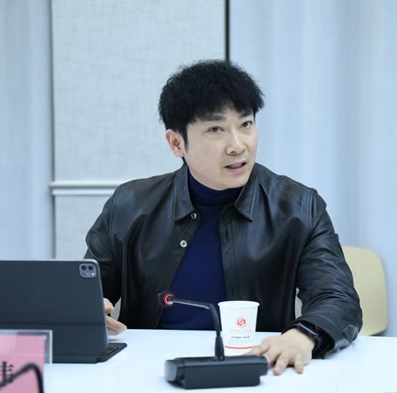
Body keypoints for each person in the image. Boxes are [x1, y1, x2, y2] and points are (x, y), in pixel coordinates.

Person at [84, 59, 362, 375]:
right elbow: (89, 291)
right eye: (215, 129)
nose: (237, 145)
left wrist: (303, 335)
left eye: (246, 124)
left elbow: (338, 298)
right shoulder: (130, 204)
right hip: (146, 371)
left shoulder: (299, 207)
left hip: (255, 365)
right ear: (176, 143)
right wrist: (90, 310)